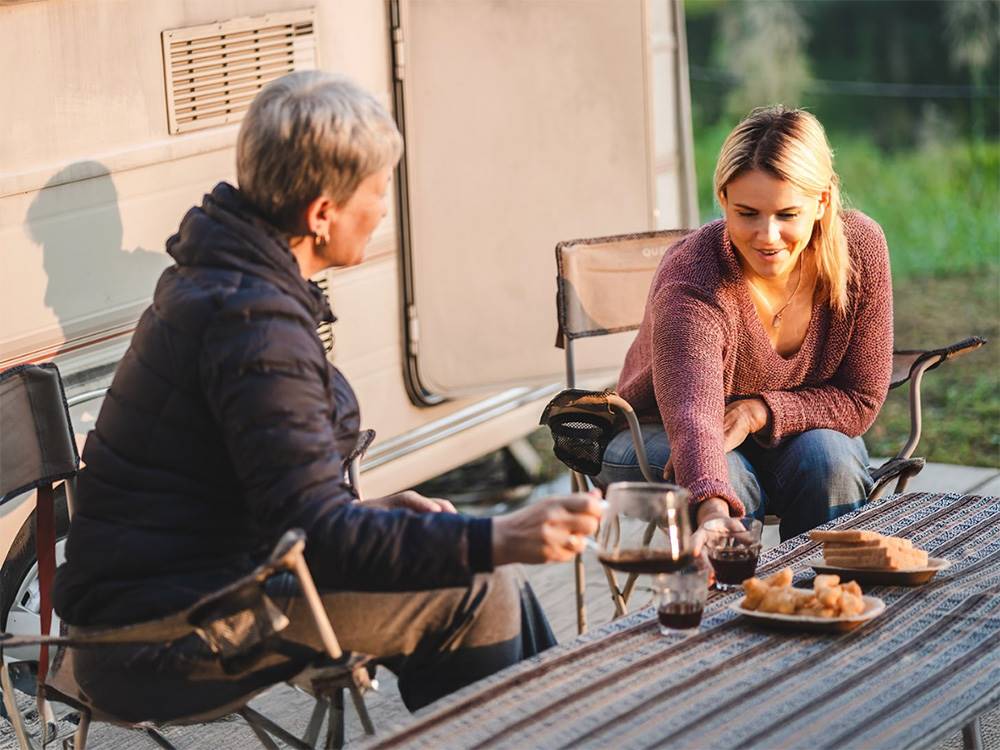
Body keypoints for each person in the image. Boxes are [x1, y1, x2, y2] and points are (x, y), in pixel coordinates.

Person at [52, 71, 601, 720]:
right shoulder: (251, 323)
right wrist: (499, 534)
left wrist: (378, 515)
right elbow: (320, 536)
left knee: (480, 563)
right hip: (160, 636)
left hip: (189, 590)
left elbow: (277, 499)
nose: (384, 210)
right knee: (474, 589)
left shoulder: (228, 280)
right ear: (322, 214)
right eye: (378, 190)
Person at [598, 106, 892, 543]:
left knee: (832, 462)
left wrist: (761, 411)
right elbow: (694, 416)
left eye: (787, 214)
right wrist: (712, 511)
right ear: (723, 199)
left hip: (783, 431)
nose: (767, 236)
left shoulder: (860, 250)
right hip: (655, 429)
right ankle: (737, 584)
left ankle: (825, 583)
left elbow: (859, 398)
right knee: (730, 477)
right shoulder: (694, 276)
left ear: (822, 202)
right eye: (747, 213)